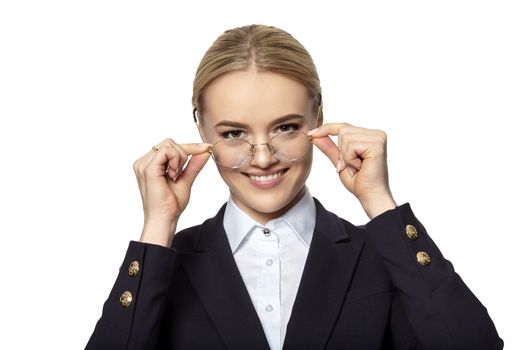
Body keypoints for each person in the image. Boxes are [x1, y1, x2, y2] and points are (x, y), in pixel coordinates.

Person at [85, 24, 503, 350]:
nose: (263, 157)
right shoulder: (167, 263)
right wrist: (158, 226)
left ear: (318, 115)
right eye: (233, 133)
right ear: (201, 129)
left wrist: (380, 203)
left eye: (286, 127)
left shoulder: (384, 252)